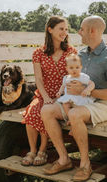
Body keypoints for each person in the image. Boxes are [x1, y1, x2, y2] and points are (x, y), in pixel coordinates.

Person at [41, 15, 107, 181]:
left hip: (102, 103)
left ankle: (85, 165)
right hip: (79, 100)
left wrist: (87, 91)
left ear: (92, 31)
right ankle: (64, 159)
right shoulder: (80, 54)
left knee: (75, 114)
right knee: (47, 110)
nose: (78, 32)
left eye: (82, 29)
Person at [21, 16, 77, 166]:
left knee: (46, 112)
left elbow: (73, 76)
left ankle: (43, 150)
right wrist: (45, 97)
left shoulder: (71, 51)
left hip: (64, 95)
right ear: (50, 29)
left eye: (66, 29)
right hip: (45, 94)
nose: (64, 32)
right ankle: (33, 150)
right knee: (33, 111)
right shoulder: (39, 53)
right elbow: (38, 79)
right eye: (61, 29)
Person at [56, 54, 95, 122]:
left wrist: (87, 90)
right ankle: (70, 118)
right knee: (65, 105)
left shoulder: (82, 77)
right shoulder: (66, 78)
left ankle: (73, 120)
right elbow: (63, 85)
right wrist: (60, 92)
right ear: (67, 68)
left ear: (81, 67)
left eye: (77, 67)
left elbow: (92, 84)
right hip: (69, 97)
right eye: (71, 68)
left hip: (80, 98)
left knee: (78, 109)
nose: (74, 70)